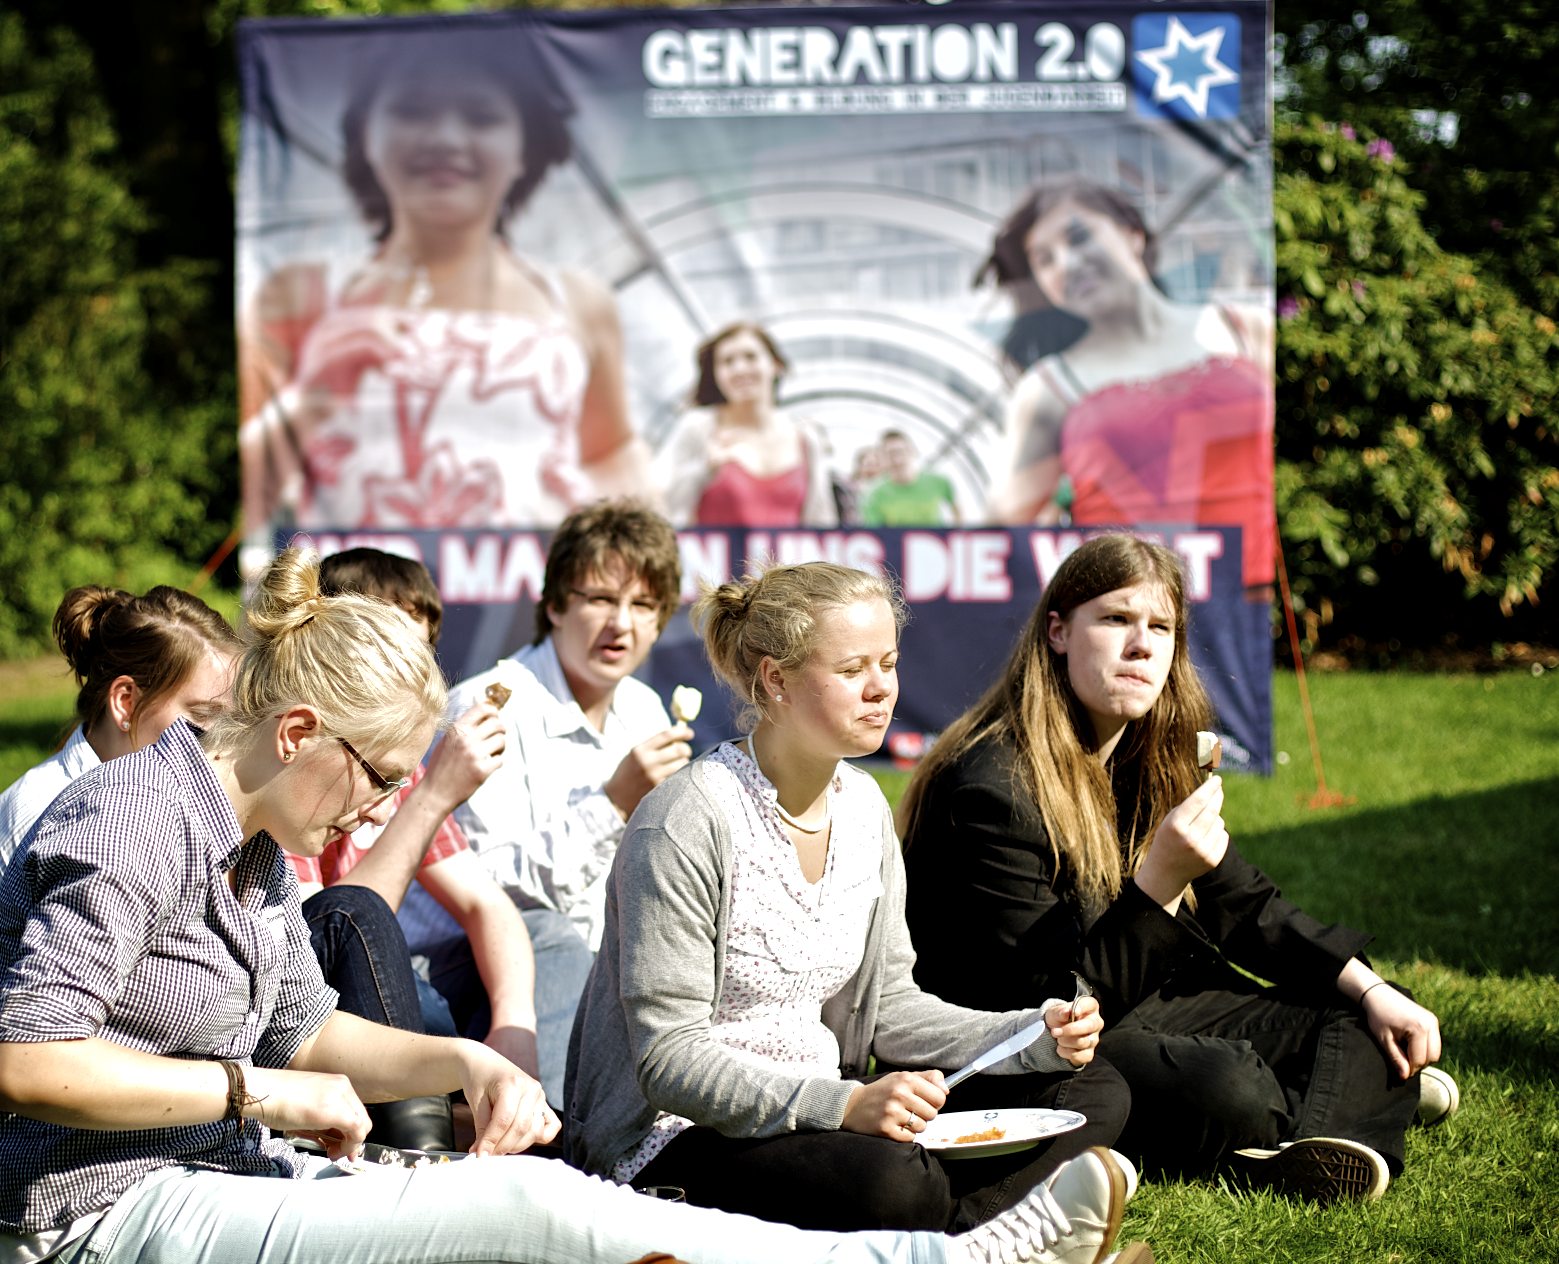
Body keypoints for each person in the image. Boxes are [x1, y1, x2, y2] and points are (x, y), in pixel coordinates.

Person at [0, 547, 1150, 1264]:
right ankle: (942, 1262)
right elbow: (28, 1059)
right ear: (296, 734)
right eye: (378, 776)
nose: (385, 805)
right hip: (92, 1213)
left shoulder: (251, 849)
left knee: (536, 1204)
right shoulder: (132, 818)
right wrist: (263, 1090)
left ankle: (929, 1257)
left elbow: (311, 1031)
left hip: (222, 1170)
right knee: (539, 1218)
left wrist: (469, 1065)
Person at [565, 560, 1146, 1264]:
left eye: (889, 664)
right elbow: (669, 1059)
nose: (881, 690)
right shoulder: (685, 819)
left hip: (831, 1114)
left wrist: (1028, 1035)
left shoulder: (865, 806)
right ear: (775, 680)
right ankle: (997, 1238)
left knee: (1091, 1088)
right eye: (851, 671)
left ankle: (970, 1239)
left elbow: (889, 1007)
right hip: (675, 1141)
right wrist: (840, 1107)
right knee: (896, 1185)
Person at [897, 533, 1455, 1202]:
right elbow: (1049, 1002)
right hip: (1028, 1039)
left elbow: (1241, 902)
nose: (1141, 645)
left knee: (1368, 1009)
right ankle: (1350, 1100)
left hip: (1139, 998)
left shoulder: (1155, 751)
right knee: (1231, 1087)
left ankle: (1329, 1109)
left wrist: (1368, 988)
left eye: (1160, 626)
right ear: (1057, 632)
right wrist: (1158, 881)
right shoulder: (992, 786)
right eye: (1114, 620)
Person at [238, 33, 649, 534]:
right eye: (412, 111)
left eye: (481, 117)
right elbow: (238, 492)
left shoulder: (579, 301)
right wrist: (314, 397)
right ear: (366, 134)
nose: (446, 139)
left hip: (531, 602)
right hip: (353, 604)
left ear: (526, 145)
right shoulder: (299, 292)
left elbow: (612, 454)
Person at [402, 500, 693, 1109]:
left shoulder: (643, 709)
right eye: (600, 599)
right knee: (555, 938)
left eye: (643, 606)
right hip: (451, 967)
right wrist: (612, 803)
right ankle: (551, 1143)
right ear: (555, 604)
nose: (622, 624)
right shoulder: (489, 705)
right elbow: (498, 895)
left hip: (584, 971)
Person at [299, 548, 540, 1084]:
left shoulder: (398, 766)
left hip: (399, 981)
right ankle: (443, 1128)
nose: (414, 677)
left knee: (545, 938)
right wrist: (434, 794)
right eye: (393, 652)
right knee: (428, 1005)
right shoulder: (305, 763)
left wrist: (514, 1029)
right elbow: (331, 932)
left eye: (423, 652)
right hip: (314, 1013)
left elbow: (485, 905)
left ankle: (544, 1119)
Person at [983, 181, 1274, 591]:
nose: (1066, 264)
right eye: (1045, 261)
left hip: (1255, 612)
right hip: (1130, 621)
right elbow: (993, 537)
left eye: (1079, 237)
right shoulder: (1048, 388)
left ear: (1132, 234)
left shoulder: (1245, 330)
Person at [0, 584, 239, 868]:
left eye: (231, 718)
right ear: (126, 702)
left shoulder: (173, 795)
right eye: (201, 714)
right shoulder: (43, 813)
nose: (226, 737)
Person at [656, 322, 838, 528]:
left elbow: (822, 522)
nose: (740, 369)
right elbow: (658, 502)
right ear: (715, 374)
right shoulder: (696, 429)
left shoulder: (805, 438)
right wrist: (703, 470)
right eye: (727, 362)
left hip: (789, 560)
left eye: (751, 357)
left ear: (775, 365)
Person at [861, 430, 960, 527]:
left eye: (900, 452)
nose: (897, 460)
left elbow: (957, 509)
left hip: (936, 541)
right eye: (890, 454)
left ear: (912, 451)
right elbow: (877, 531)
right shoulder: (874, 495)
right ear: (882, 459)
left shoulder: (939, 482)